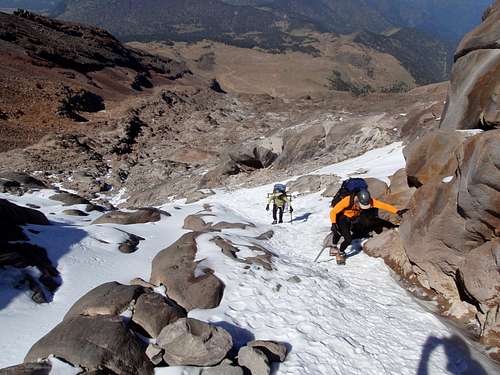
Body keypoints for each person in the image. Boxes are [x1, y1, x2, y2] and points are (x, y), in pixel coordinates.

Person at [330, 189, 407, 264]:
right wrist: (334, 224)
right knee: (346, 238)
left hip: (352, 218)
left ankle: (336, 249)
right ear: (357, 200)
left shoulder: (368, 200)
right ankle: (340, 253)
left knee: (352, 230)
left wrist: (397, 211)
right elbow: (333, 212)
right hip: (343, 218)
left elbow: (383, 205)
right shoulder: (347, 201)